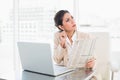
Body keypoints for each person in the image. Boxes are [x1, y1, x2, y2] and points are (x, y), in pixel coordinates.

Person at [53, 10, 98, 80]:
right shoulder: (57, 36)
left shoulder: (86, 36)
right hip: (67, 75)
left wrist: (93, 63)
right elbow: (57, 60)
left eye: (72, 18)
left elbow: (94, 58)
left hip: (83, 74)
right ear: (61, 27)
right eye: (68, 20)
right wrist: (62, 45)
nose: (73, 21)